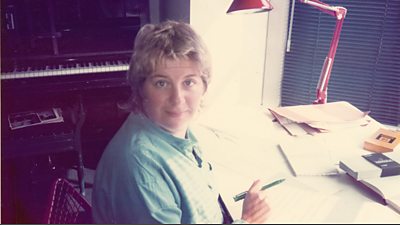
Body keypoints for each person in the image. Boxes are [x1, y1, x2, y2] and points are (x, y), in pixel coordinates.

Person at [92, 20, 270, 224]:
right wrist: (248, 220)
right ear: (140, 89)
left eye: (189, 82)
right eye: (161, 83)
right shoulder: (141, 171)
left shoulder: (172, 128)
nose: (177, 98)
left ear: (204, 85)